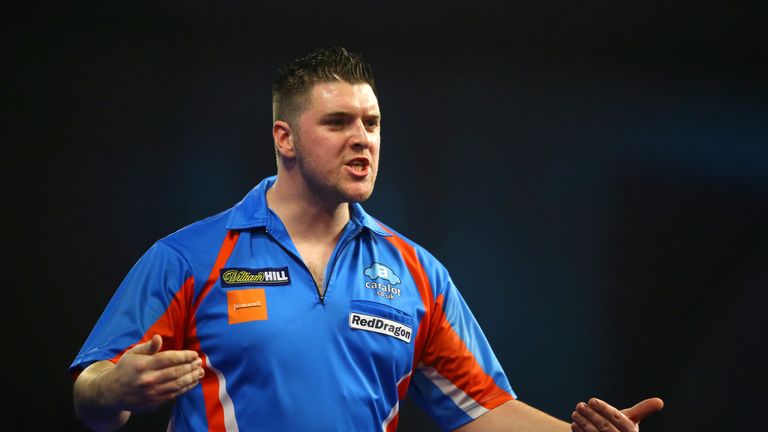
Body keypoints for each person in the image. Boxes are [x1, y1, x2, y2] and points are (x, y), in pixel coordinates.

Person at [70, 47, 663, 432]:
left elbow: (486, 409)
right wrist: (114, 387)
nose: (363, 139)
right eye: (337, 123)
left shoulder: (417, 273)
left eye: (371, 123)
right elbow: (91, 398)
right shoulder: (189, 258)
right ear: (285, 138)